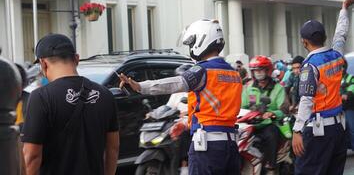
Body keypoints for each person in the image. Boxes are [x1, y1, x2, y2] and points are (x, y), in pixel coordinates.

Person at [120, 19, 242, 174]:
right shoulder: (233, 73)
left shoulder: (202, 71)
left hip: (208, 148)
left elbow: (175, 83)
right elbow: (217, 112)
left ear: (201, 40)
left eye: (191, 43)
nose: (191, 48)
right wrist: (185, 123)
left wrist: (139, 86)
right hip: (230, 145)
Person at [21, 34, 120, 175]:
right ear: (77, 59)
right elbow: (113, 148)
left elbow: (32, 156)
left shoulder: (41, 97)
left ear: (43, 63)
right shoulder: (105, 95)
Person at [292, 0, 354, 175]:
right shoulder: (336, 55)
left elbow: (306, 100)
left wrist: (297, 130)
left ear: (304, 41)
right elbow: (341, 33)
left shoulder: (310, 66)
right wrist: (344, 8)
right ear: (325, 37)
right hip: (338, 129)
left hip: (318, 132)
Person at [241, 55, 288, 172]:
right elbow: (242, 106)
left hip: (269, 124)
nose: (258, 73)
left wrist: (272, 113)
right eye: (255, 70)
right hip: (250, 124)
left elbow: (284, 110)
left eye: (260, 70)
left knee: (271, 134)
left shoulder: (278, 88)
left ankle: (270, 166)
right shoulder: (249, 88)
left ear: (268, 70)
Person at [341, 61, 354, 151]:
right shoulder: (334, 79)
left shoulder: (350, 77)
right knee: (341, 130)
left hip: (349, 107)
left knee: (351, 128)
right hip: (338, 108)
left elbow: (350, 93)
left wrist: (343, 95)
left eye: (340, 67)